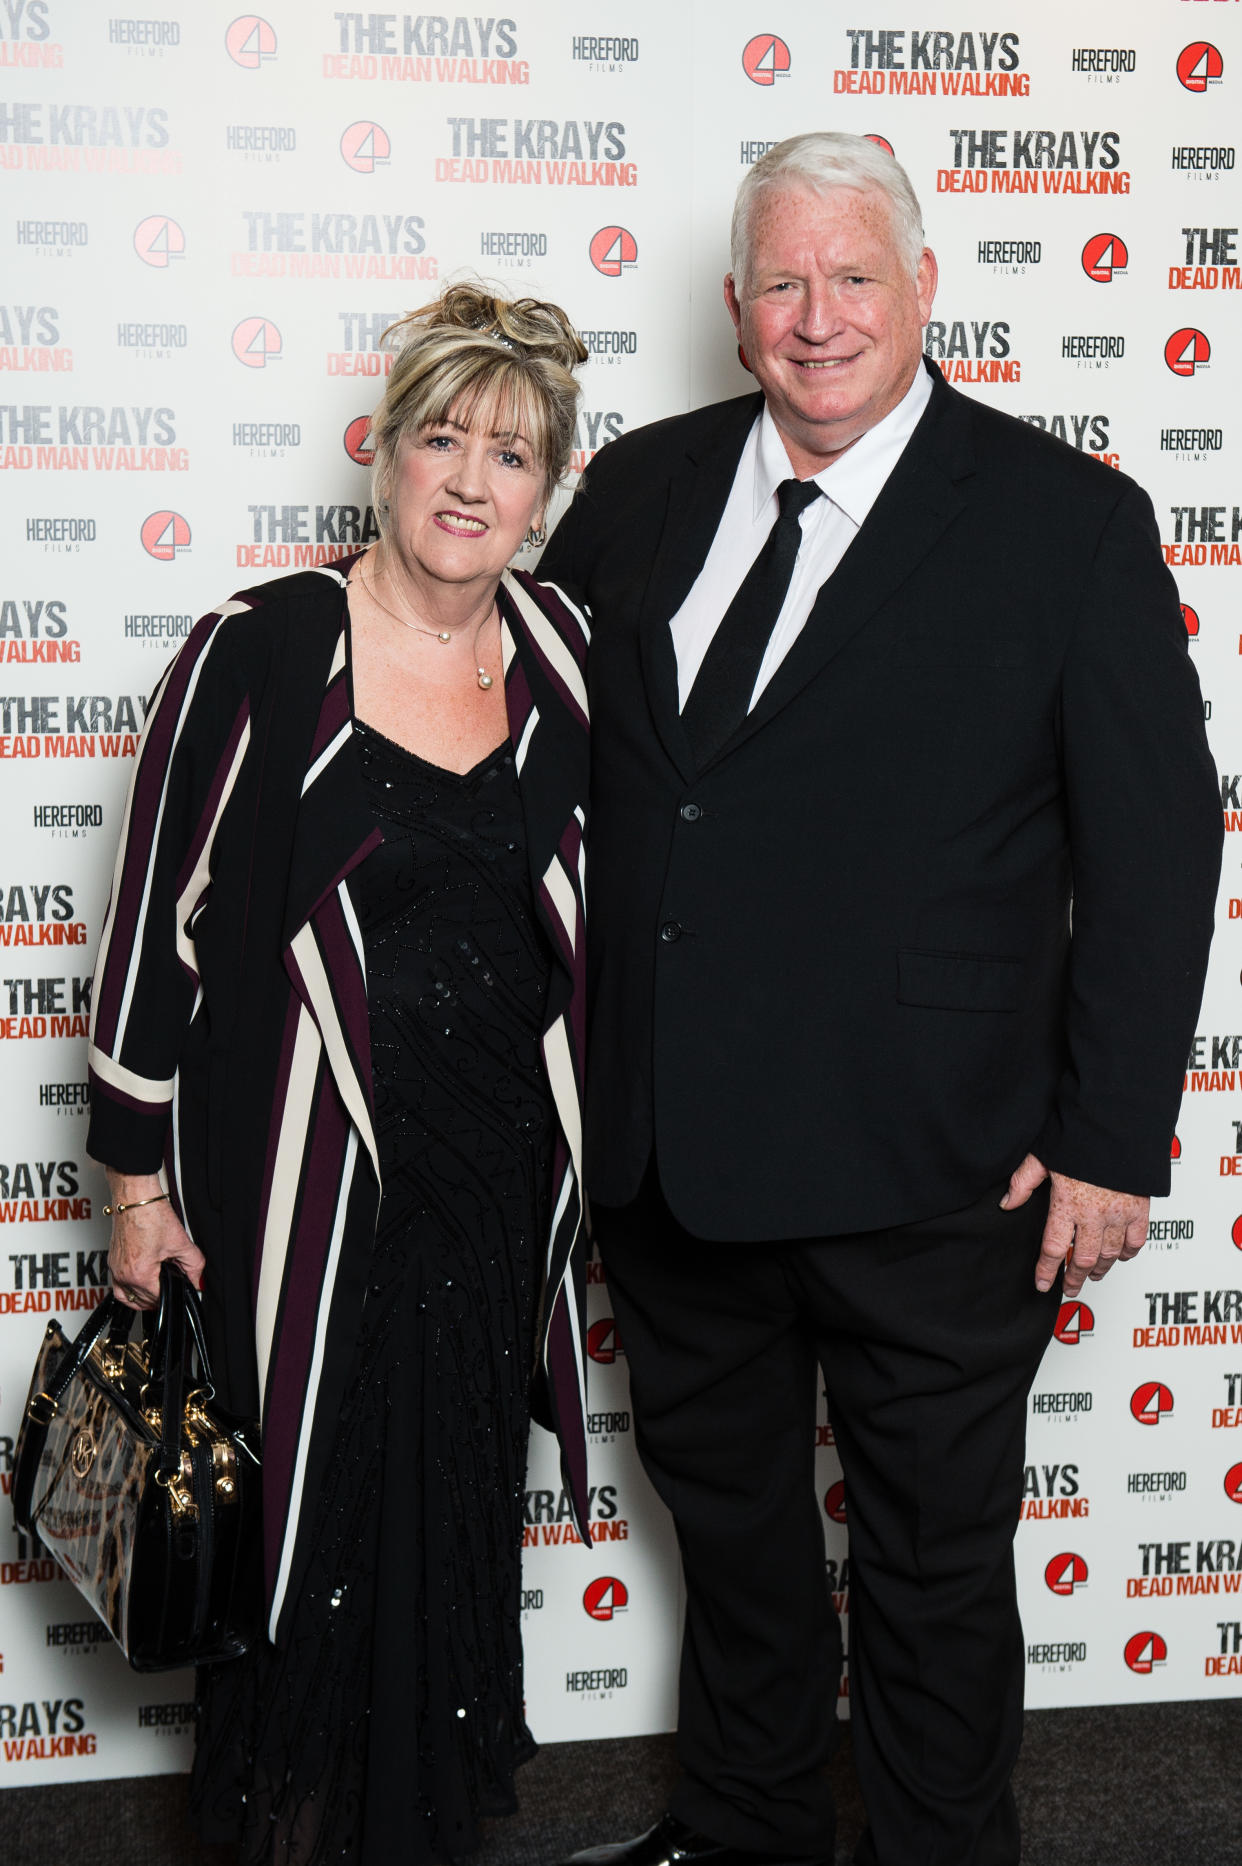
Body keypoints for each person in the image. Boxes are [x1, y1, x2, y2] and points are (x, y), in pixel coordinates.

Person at [539, 133, 1222, 1866]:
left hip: (940, 1154)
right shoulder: (635, 491)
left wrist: (1106, 1141)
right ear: (732, 306)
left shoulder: (1064, 523)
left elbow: (1154, 849)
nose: (816, 315)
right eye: (782, 280)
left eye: (854, 276)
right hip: (673, 1143)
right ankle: (749, 1820)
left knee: (927, 1560)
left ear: (923, 292)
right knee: (740, 1534)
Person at [86, 282, 592, 1866]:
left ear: (549, 485)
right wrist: (135, 1185)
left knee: (446, 1543)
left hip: (489, 1194)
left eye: (509, 457)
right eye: (441, 438)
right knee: (303, 1544)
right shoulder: (266, 643)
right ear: (381, 450)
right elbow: (152, 922)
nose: (469, 482)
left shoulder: (564, 651)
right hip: (302, 1190)